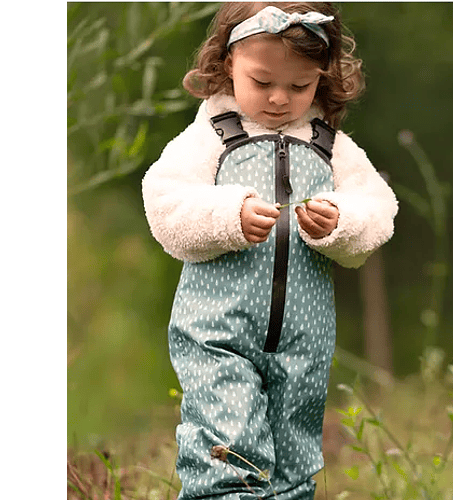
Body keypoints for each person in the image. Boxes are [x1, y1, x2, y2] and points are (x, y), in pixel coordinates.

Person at [142, 3, 398, 499]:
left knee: (293, 458)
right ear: (227, 65)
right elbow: (164, 203)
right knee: (226, 448)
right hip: (218, 331)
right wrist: (228, 216)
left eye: (300, 86)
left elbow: (378, 209)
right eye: (262, 82)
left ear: (321, 79)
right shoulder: (211, 138)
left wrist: (339, 221)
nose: (280, 99)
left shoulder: (331, 146)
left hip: (304, 338)